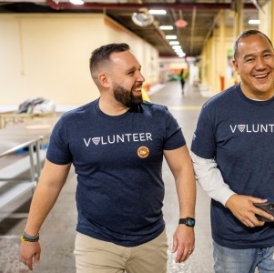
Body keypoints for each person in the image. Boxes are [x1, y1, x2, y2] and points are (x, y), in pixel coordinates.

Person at [20, 43, 197, 273]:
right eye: (131, 72)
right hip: (96, 242)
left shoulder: (159, 118)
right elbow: (50, 181)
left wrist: (187, 222)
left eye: (139, 69)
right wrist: (30, 235)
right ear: (105, 80)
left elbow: (183, 168)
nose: (141, 77)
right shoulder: (72, 124)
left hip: (150, 240)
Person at [190, 30, 274, 273]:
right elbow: (200, 163)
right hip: (233, 234)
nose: (261, 65)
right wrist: (229, 199)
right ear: (236, 65)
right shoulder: (215, 110)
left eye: (266, 55)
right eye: (250, 59)